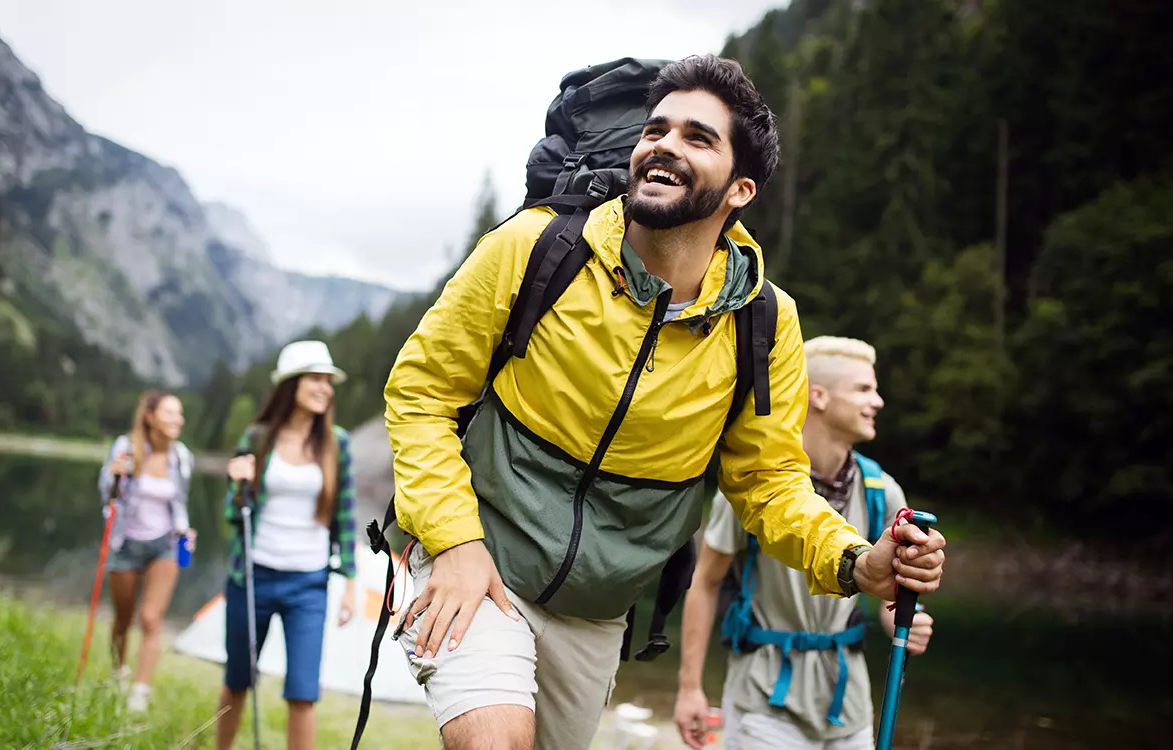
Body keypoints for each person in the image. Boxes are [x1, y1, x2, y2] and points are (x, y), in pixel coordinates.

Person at [380, 54, 947, 750]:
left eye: (697, 137)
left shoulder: (765, 322)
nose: (663, 145)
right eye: (656, 129)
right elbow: (421, 393)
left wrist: (858, 562)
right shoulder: (533, 249)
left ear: (741, 189)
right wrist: (456, 543)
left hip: (595, 613)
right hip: (480, 558)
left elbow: (767, 483)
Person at [674, 336, 936, 749]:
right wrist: (690, 687)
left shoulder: (882, 492)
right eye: (864, 389)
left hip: (848, 704)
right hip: (763, 700)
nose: (878, 401)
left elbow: (889, 594)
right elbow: (705, 583)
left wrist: (902, 618)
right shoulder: (752, 487)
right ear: (819, 396)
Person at [216, 340, 358, 750]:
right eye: (316, 378)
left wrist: (350, 581)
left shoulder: (338, 444)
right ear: (291, 384)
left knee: (303, 692)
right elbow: (232, 513)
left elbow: (345, 518)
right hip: (252, 578)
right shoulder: (256, 437)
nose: (325, 388)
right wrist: (235, 484)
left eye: (328, 381)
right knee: (237, 679)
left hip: (309, 584)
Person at [97, 389, 197, 713]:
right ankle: (118, 672)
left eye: (179, 414)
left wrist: (184, 529)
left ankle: (140, 692)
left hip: (165, 545)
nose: (177, 420)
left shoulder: (181, 456)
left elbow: (180, 500)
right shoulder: (126, 448)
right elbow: (106, 494)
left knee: (151, 619)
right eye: (170, 413)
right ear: (150, 416)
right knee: (122, 619)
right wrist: (114, 475)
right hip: (125, 542)